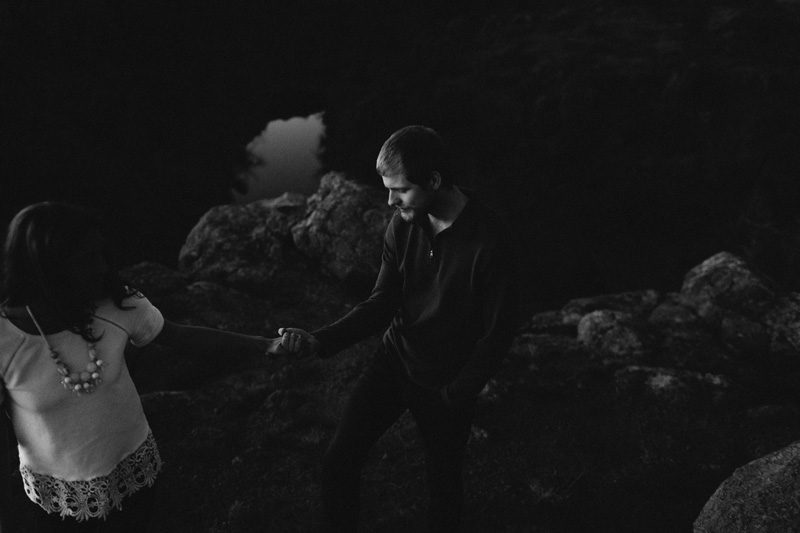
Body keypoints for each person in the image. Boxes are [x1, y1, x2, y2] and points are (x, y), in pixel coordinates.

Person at [279, 125, 519, 532]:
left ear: (435, 181)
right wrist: (320, 340)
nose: (390, 201)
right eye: (387, 189)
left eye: (400, 190)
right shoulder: (404, 224)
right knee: (339, 460)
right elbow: (382, 303)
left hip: (446, 382)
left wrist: (455, 395)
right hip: (394, 362)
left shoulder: (491, 243)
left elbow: (496, 336)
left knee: (444, 489)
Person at [0, 201, 288, 532]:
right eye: (85, 261)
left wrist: (265, 345)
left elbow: (180, 336)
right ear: (44, 270)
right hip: (58, 504)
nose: (102, 268)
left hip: (136, 476)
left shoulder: (117, 304)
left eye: (101, 254)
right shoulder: (5, 338)